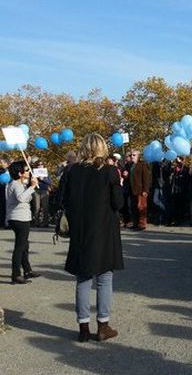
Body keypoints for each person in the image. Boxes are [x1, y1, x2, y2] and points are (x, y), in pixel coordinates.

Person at [62, 134, 124, 343]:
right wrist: (119, 185)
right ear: (102, 149)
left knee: (83, 278)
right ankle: (103, 326)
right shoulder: (109, 171)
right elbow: (118, 203)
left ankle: (83, 328)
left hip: (81, 231)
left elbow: (64, 200)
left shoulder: (72, 172)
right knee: (104, 278)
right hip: (104, 231)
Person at [6, 161, 40, 284]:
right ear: (20, 173)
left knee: (25, 245)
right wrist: (31, 187)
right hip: (19, 219)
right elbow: (21, 198)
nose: (28, 172)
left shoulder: (20, 184)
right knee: (20, 247)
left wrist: (31, 185)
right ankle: (16, 274)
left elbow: (27, 197)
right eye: (26, 170)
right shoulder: (16, 184)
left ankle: (27, 270)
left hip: (22, 217)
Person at [129, 150, 151, 231]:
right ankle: (135, 223)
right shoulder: (131, 165)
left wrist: (145, 190)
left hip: (141, 190)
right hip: (133, 189)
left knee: (141, 207)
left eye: (134, 155)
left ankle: (142, 224)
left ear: (139, 156)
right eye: (131, 155)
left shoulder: (143, 164)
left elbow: (146, 178)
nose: (132, 156)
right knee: (134, 207)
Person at [32, 160, 52, 227]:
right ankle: (36, 222)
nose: (40, 165)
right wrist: (35, 179)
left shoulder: (46, 172)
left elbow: (50, 182)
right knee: (37, 207)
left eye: (41, 164)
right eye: (38, 164)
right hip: (36, 190)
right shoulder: (34, 172)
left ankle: (45, 222)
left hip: (44, 190)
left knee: (45, 207)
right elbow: (31, 182)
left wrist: (43, 179)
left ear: (43, 165)